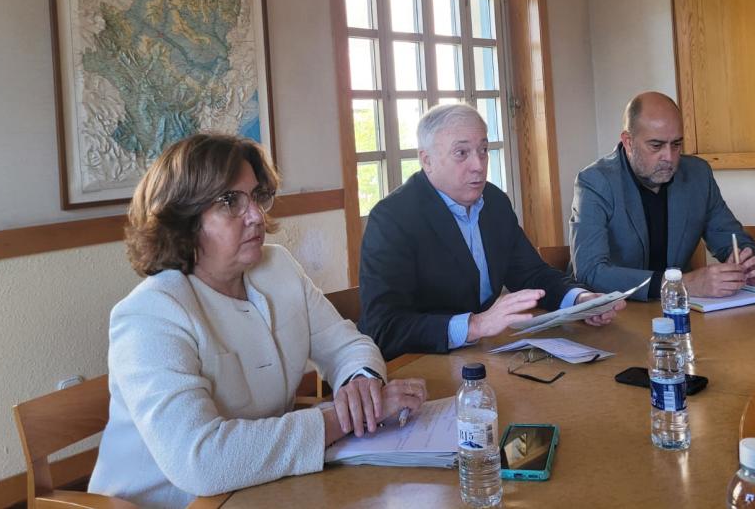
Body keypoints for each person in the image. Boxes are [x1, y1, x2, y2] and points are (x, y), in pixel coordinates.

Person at [89, 134, 427, 509]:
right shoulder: (151, 313)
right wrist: (343, 419)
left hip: (263, 487)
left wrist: (361, 384)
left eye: (256, 196)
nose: (255, 216)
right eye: (230, 202)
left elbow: (348, 344)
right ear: (182, 219)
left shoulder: (278, 266)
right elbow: (201, 462)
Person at [357, 104, 624, 361]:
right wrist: (475, 325)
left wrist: (580, 300)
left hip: (482, 358)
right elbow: (385, 327)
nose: (479, 164)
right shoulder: (392, 218)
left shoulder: (493, 201)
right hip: (418, 365)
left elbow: (532, 274)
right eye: (462, 153)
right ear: (427, 161)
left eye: (483, 150)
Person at [570, 92, 755, 301]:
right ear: (628, 142)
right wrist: (679, 285)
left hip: (682, 312)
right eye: (656, 146)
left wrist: (749, 266)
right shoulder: (595, 182)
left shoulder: (697, 174)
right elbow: (591, 271)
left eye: (676, 144)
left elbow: (732, 239)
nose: (670, 157)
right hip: (612, 313)